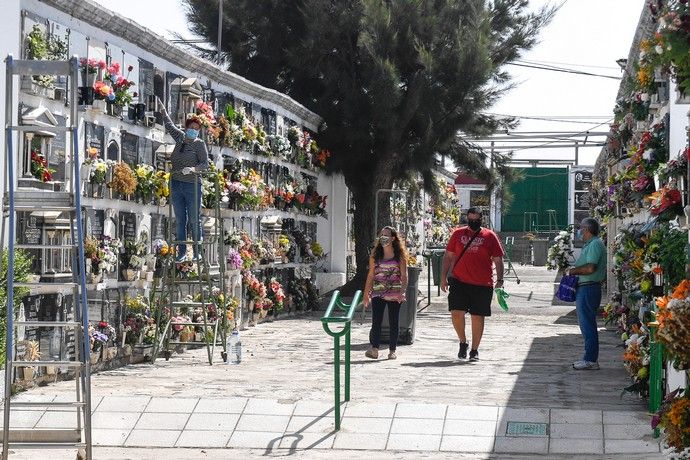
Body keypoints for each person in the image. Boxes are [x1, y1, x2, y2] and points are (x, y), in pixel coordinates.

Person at [440, 207, 504, 362]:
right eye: (470, 219)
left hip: (482, 283)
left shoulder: (489, 236)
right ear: (466, 218)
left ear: (481, 219)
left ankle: (474, 350)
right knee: (456, 313)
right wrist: (443, 277)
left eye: (476, 219)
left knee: (477, 317)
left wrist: (500, 280)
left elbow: (498, 259)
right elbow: (448, 256)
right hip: (459, 281)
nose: (473, 222)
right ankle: (463, 342)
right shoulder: (458, 234)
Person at [157, 98, 209, 262]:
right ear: (186, 128)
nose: (194, 131)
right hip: (176, 183)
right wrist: (164, 113)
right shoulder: (180, 137)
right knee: (180, 219)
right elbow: (170, 126)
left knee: (194, 219)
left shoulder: (199, 144)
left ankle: (198, 250)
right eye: (191, 128)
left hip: (192, 185)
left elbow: (205, 164)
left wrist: (193, 169)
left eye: (197, 129)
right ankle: (181, 252)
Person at [363, 226, 408, 360]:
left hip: (395, 293)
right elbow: (371, 275)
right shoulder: (375, 255)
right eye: (381, 235)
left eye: (386, 235)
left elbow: (404, 276)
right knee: (376, 321)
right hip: (378, 292)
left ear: (393, 238)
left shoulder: (399, 256)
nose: (383, 238)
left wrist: (402, 292)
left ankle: (392, 350)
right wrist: (366, 293)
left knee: (394, 321)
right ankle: (375, 349)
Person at [567, 218, 606, 370]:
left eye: (581, 228)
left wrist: (572, 271)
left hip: (589, 288)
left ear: (587, 230)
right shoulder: (589, 245)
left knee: (588, 324)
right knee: (585, 324)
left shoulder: (595, 244)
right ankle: (588, 357)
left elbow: (590, 268)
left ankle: (590, 359)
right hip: (585, 287)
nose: (579, 231)